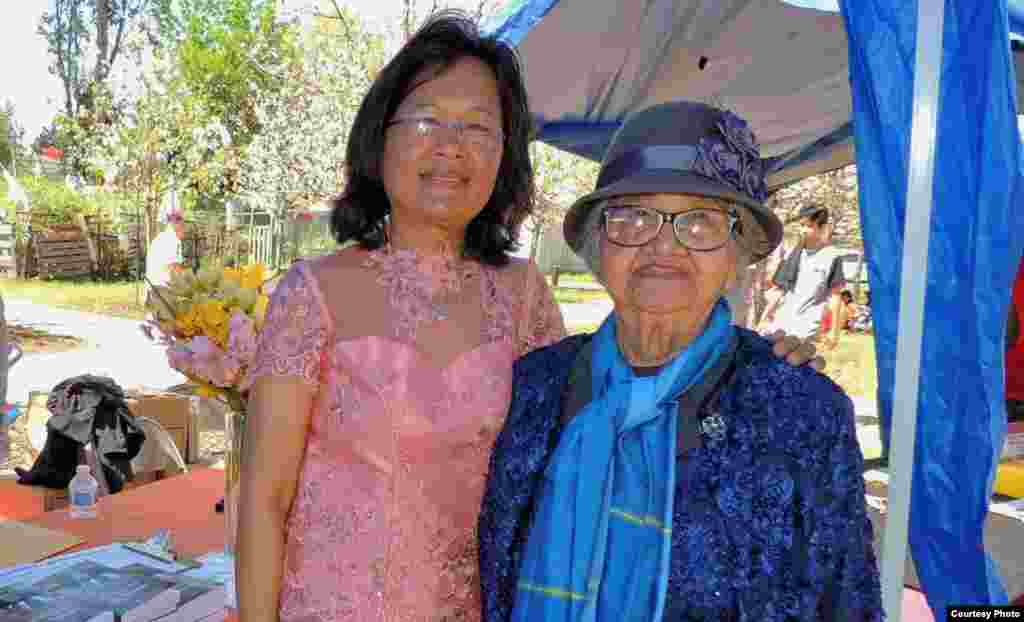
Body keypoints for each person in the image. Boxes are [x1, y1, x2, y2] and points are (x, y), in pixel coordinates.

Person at [237, 14, 823, 622]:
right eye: (426, 120)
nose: (450, 147)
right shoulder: (315, 293)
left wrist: (756, 368)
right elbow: (263, 498)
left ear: (504, 153)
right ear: (380, 136)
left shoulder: (522, 294)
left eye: (477, 128)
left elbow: (612, 399)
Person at [479, 102, 881, 621]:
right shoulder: (533, 385)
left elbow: (847, 602)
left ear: (739, 254)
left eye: (700, 223)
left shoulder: (800, 409)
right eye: (634, 217)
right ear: (599, 245)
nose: (663, 246)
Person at [761, 204, 846, 348]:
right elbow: (779, 290)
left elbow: (835, 296)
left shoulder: (832, 257)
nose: (803, 231)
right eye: (801, 225)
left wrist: (834, 331)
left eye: (809, 226)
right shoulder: (792, 254)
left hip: (807, 328)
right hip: (781, 323)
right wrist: (763, 318)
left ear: (822, 227)